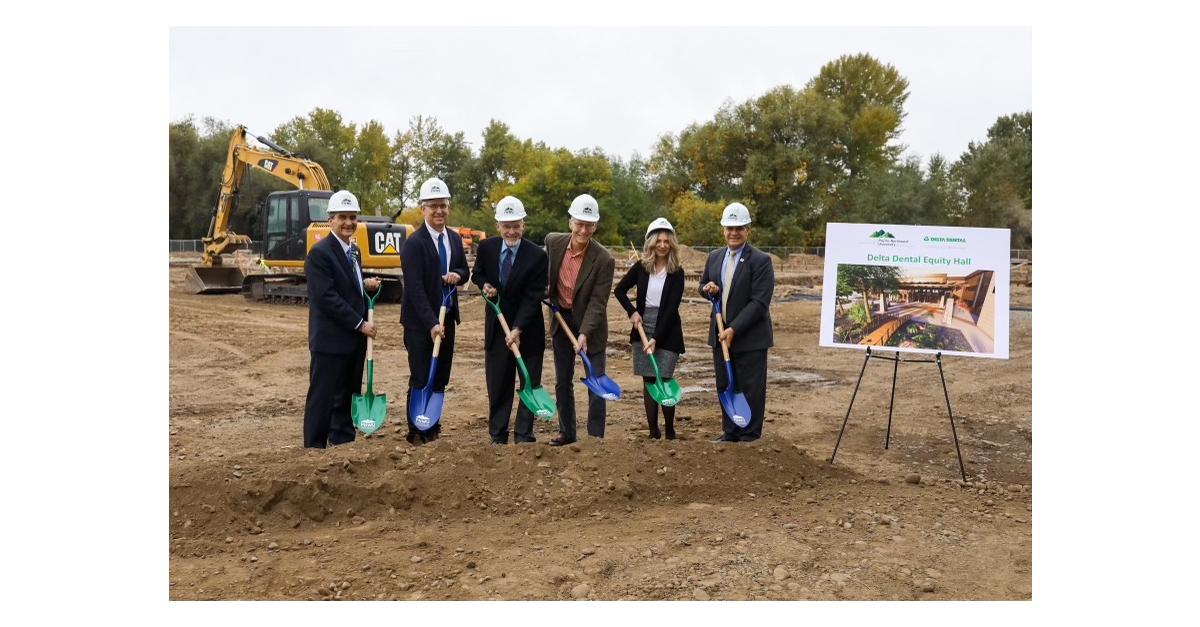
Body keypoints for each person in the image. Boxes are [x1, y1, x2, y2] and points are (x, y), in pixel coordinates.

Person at [302, 190, 381, 449]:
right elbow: (327, 297)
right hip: (330, 341)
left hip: (352, 341)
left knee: (348, 396)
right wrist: (360, 324)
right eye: (342, 217)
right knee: (322, 398)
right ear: (331, 220)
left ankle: (343, 443)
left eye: (353, 217)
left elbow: (345, 283)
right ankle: (314, 447)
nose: (349, 222)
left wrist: (364, 283)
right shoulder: (319, 253)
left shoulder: (354, 251)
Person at [471, 196, 548, 445]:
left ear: (523, 225)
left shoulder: (537, 256)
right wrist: (485, 285)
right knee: (498, 384)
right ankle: (498, 434)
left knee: (529, 383)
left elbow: (533, 296)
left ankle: (524, 435)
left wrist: (517, 328)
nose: (511, 231)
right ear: (498, 226)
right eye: (507, 226)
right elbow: (477, 274)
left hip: (528, 329)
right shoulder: (487, 248)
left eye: (516, 226)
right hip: (497, 327)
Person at [400, 177, 469, 445]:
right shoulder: (414, 244)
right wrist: (431, 323)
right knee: (421, 376)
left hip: (447, 319)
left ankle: (433, 425)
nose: (439, 211)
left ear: (448, 208)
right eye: (433, 206)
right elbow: (414, 289)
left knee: (439, 377)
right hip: (420, 324)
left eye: (443, 206)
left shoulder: (453, 238)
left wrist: (457, 275)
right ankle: (417, 431)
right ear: (423, 209)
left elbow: (465, 270)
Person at [699, 202, 774, 443]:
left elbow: (759, 302)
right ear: (723, 229)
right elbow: (702, 285)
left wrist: (734, 328)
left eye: (739, 228)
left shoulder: (761, 261)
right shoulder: (714, 257)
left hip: (750, 337)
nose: (733, 233)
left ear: (747, 230)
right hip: (720, 335)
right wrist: (708, 289)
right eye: (729, 228)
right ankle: (730, 433)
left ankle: (749, 435)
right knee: (725, 384)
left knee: (750, 388)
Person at [544, 193, 615, 446]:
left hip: (590, 325)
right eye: (579, 224)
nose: (583, 230)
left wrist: (584, 333)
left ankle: (595, 438)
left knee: (596, 382)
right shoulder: (553, 242)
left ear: (595, 226)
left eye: (589, 225)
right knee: (562, 381)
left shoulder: (604, 259)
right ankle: (567, 432)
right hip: (561, 318)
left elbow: (598, 302)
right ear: (570, 222)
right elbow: (545, 273)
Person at [614, 218, 686, 440]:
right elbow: (619, 290)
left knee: (664, 377)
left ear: (671, 244)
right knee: (648, 380)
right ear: (651, 243)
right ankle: (653, 431)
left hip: (668, 328)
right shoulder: (641, 267)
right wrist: (632, 312)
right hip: (643, 326)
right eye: (658, 241)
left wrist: (657, 338)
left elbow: (671, 309)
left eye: (666, 241)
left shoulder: (677, 272)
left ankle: (670, 431)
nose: (662, 245)